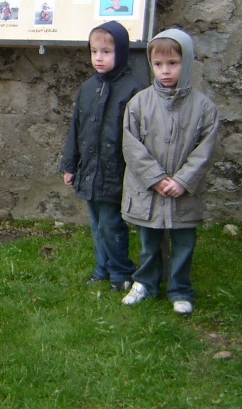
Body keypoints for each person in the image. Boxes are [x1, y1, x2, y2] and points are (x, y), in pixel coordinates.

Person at [121, 29, 220, 315]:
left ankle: (180, 289)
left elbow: (205, 149)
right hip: (147, 190)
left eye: (173, 63)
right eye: (158, 64)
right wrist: (155, 178)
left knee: (184, 244)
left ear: (186, 62)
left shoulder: (204, 108)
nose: (165, 71)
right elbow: (131, 145)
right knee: (148, 240)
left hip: (184, 192)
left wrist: (182, 180)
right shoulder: (139, 103)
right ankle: (145, 282)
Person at [61, 22, 144, 292]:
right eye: (94, 51)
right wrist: (70, 165)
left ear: (120, 52)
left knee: (111, 224)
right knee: (97, 224)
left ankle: (121, 273)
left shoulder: (134, 90)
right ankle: (102, 269)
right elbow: (76, 129)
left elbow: (139, 137)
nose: (98, 57)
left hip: (116, 172)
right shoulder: (87, 89)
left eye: (106, 51)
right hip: (90, 170)